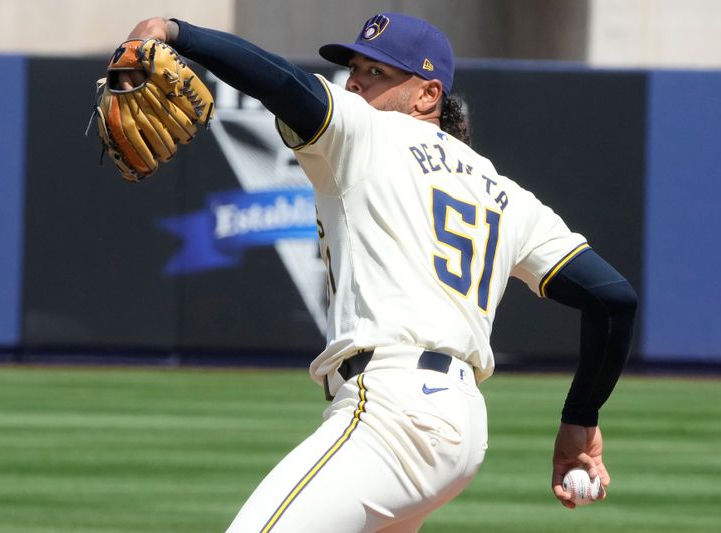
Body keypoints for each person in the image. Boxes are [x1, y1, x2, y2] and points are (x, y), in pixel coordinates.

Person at [123, 12, 637, 532]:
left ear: (427, 95)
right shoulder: (507, 195)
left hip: (394, 413)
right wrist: (580, 421)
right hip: (458, 425)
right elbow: (612, 299)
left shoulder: (367, 131)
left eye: (377, 72)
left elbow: (282, 80)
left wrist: (175, 32)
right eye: (354, 69)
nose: (355, 81)